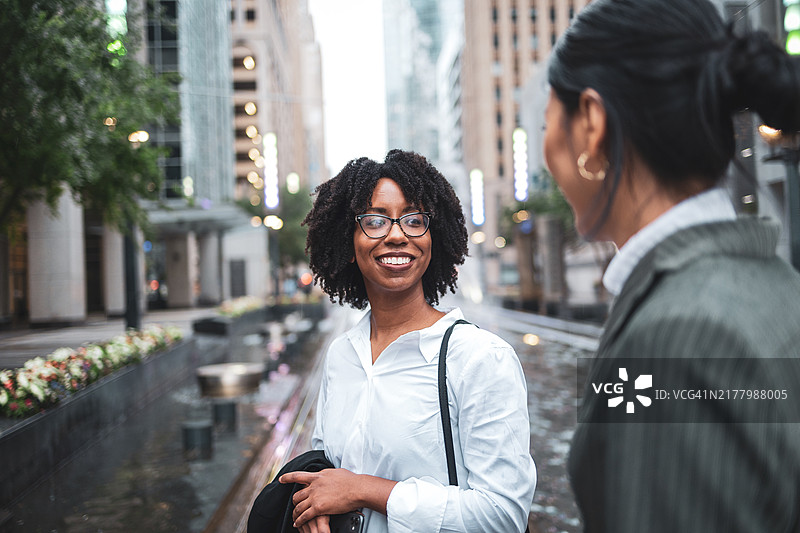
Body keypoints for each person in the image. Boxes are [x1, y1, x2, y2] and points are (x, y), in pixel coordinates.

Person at [543, 0, 800, 531]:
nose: (548, 147)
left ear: (591, 123)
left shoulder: (674, 341)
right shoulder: (777, 282)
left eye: (550, 117)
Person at [279, 149, 536, 532]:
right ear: (348, 242)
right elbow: (326, 471)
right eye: (375, 221)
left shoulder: (481, 358)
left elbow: (503, 515)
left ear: (433, 238)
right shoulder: (341, 356)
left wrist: (366, 490)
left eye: (414, 220)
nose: (397, 234)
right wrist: (315, 505)